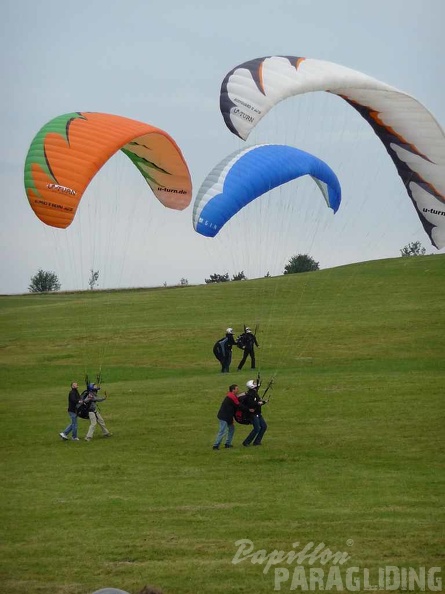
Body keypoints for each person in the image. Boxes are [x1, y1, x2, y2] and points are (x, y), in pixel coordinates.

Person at [212, 384, 251, 450]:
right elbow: (239, 405)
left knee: (231, 429)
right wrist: (248, 409)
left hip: (228, 416)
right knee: (222, 431)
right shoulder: (232, 397)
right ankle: (216, 445)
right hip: (224, 416)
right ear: (233, 390)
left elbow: (237, 397)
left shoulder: (231, 395)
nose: (238, 390)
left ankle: (228, 444)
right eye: (236, 389)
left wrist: (244, 394)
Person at [241, 379, 268, 446]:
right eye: (254, 383)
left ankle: (257, 442)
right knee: (257, 428)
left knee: (264, 426)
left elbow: (258, 402)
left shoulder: (254, 393)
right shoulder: (250, 395)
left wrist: (262, 402)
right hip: (252, 414)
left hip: (258, 413)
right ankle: (246, 442)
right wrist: (261, 402)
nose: (256, 384)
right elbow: (252, 404)